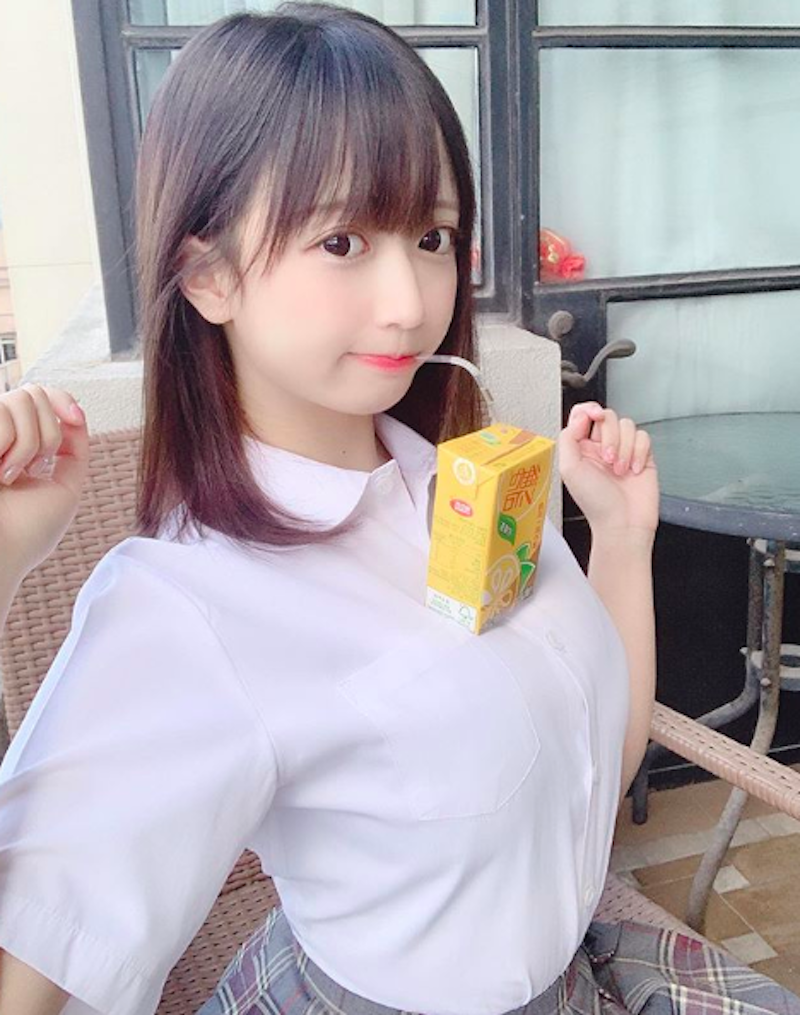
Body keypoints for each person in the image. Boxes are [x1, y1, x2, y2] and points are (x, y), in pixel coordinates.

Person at [0, 5, 797, 1015]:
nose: (411, 301)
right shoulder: (186, 603)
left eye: (430, 236)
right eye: (341, 239)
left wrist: (622, 538)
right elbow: (29, 968)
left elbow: (599, 761)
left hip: (576, 971)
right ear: (207, 274)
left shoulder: (464, 482)